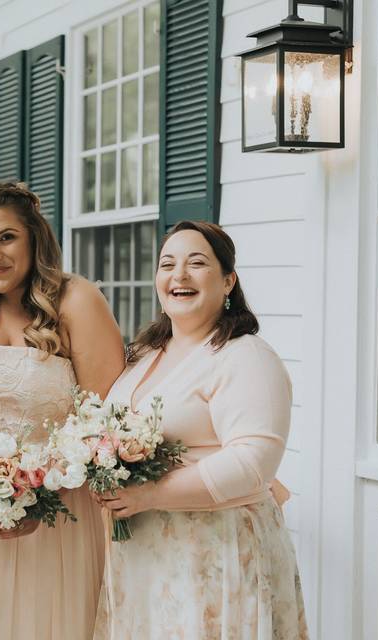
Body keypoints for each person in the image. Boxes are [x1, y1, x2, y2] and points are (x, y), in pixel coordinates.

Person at [94, 220, 309, 639]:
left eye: (197, 263)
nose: (179, 276)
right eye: (167, 264)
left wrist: (150, 493)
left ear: (228, 280)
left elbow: (254, 462)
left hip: (215, 551)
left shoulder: (245, 357)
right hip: (144, 553)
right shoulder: (143, 354)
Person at [0, 181, 125, 640]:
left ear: (33, 238)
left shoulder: (75, 300)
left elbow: (101, 415)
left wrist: (39, 498)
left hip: (63, 507)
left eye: (6, 237)